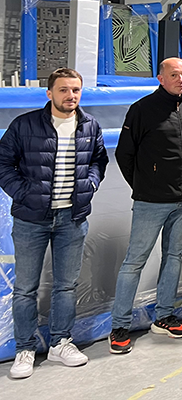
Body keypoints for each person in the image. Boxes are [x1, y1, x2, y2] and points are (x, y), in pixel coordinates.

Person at [0, 69, 108, 379]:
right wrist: (23, 193)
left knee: (66, 285)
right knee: (25, 288)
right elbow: (3, 162)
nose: (70, 96)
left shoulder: (90, 125)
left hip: (71, 218)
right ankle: (25, 348)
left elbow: (99, 160)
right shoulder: (25, 124)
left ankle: (61, 342)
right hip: (31, 219)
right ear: (50, 93)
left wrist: (91, 184)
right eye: (63, 90)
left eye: (75, 90)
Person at [109, 58, 182, 355]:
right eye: (174, 75)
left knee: (173, 257)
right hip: (151, 200)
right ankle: (119, 326)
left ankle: (164, 316)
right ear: (160, 78)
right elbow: (124, 154)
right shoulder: (142, 109)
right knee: (134, 262)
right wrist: (144, 185)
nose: (181, 79)